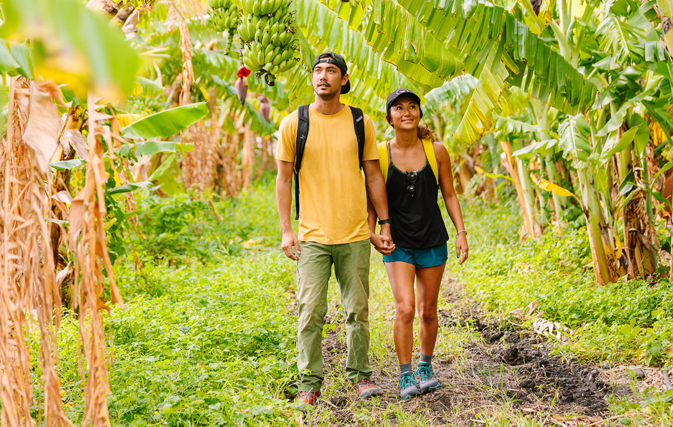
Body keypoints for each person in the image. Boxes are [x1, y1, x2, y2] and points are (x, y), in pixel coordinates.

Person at [275, 52, 393, 408]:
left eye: (331, 71)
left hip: (355, 234)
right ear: (312, 78)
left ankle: (360, 375)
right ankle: (309, 383)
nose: (322, 76)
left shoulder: (360, 122)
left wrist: (383, 223)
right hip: (312, 236)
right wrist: (286, 230)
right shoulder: (294, 123)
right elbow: (283, 179)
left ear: (344, 80)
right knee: (310, 310)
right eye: (317, 70)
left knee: (357, 310)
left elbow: (373, 174)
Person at [367, 88, 469, 400]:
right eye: (399, 108)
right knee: (405, 308)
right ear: (390, 118)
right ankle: (405, 373)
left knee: (427, 310)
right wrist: (372, 232)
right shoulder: (380, 154)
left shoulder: (436, 151)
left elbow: (450, 194)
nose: (407, 112)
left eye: (412, 107)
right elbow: (371, 199)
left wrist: (461, 232)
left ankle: (426, 366)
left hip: (432, 239)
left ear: (420, 114)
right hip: (398, 243)